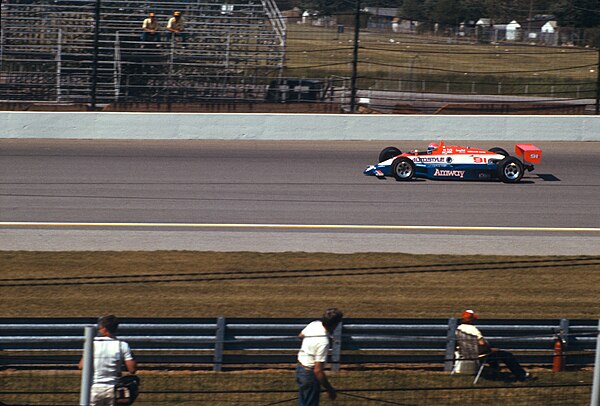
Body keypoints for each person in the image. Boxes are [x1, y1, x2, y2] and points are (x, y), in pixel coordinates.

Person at [457, 310, 534, 381]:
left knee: (495, 354)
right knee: (507, 355)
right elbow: (482, 343)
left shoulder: (459, 328)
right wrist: (489, 349)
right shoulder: (473, 330)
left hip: (467, 353)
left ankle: (494, 372)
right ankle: (522, 375)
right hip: (480, 355)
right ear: (471, 319)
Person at [79, 315, 137, 406]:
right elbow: (132, 369)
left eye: (99, 328)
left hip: (94, 388)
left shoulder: (92, 344)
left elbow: (81, 366)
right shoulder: (122, 345)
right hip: (113, 388)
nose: (98, 330)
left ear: (104, 329)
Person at [296, 308, 343, 406]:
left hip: (300, 367)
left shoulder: (314, 324)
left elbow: (300, 335)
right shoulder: (323, 342)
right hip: (309, 375)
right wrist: (330, 389)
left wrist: (309, 346)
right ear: (334, 325)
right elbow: (318, 370)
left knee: (303, 401)